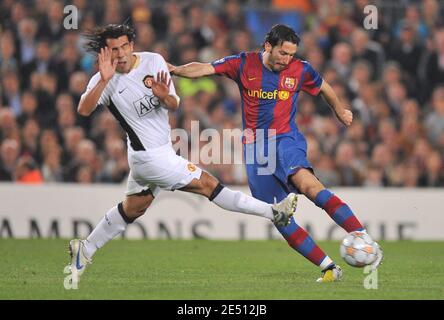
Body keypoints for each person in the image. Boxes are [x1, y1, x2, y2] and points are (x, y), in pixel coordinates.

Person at [67, 24, 298, 284]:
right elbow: (84, 110)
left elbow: (174, 104)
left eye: (123, 47)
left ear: (131, 46)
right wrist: (105, 79)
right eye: (113, 50)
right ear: (105, 53)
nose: (119, 54)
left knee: (134, 208)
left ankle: (85, 249)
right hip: (149, 157)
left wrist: (164, 96)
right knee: (209, 185)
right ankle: (273, 211)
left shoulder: (153, 61)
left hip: (159, 151)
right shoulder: (103, 79)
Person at [169, 24, 383, 282]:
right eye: (283, 53)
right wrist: (174, 70)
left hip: (286, 139)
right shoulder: (243, 63)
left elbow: (324, 87)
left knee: (309, 186)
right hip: (256, 149)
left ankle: (362, 236)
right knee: (279, 216)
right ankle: (329, 268)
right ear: (267, 46)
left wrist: (339, 110)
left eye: (291, 54)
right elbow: (205, 68)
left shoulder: (300, 69)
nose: (287, 60)